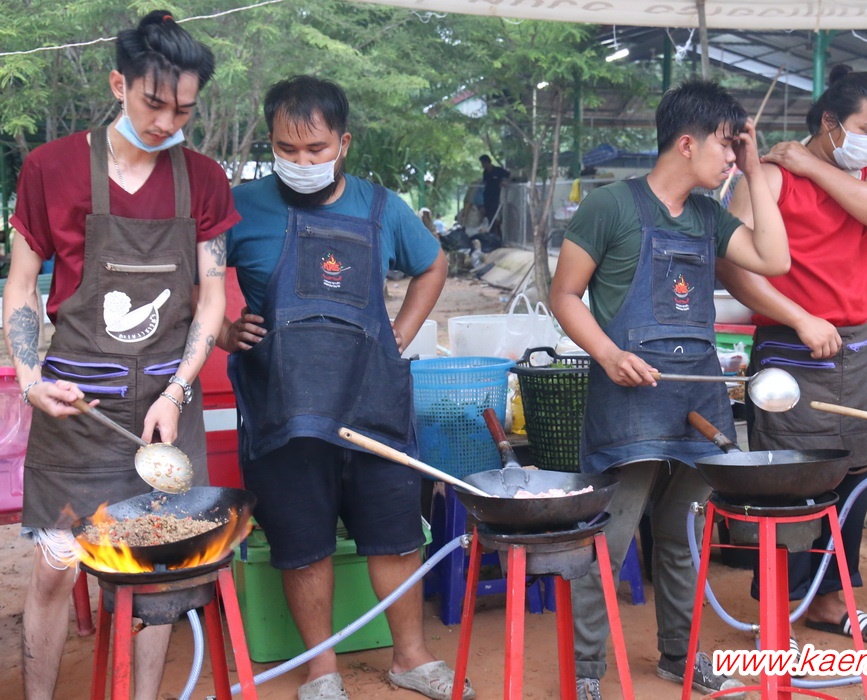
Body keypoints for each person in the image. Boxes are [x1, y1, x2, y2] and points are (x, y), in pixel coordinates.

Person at [1, 10, 237, 699]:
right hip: (77, 406)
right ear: (118, 84)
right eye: (153, 103)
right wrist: (30, 377)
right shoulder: (51, 168)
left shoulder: (204, 178)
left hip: (166, 407)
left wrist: (177, 391)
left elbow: (211, 298)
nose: (167, 122)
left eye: (183, 110)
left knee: (158, 577)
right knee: (57, 568)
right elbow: (21, 284)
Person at [219, 75, 463, 700]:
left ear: (344, 143)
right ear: (270, 143)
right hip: (285, 409)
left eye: (316, 149)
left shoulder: (382, 207)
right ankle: (321, 669)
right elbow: (195, 281)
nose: (302, 162)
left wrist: (400, 333)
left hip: (371, 403)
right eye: (287, 149)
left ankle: (410, 657)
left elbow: (432, 264)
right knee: (302, 543)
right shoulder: (239, 209)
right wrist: (221, 332)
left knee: (395, 535)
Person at [548, 79, 790, 699]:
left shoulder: (709, 217)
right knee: (609, 541)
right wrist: (608, 353)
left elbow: (775, 259)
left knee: (683, 537)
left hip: (696, 398)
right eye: (726, 146)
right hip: (628, 395)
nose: (731, 157)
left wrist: (755, 167)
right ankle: (586, 672)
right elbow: (564, 295)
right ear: (687, 143)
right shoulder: (610, 207)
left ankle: (680, 657)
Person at [718, 64, 867, 651]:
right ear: (830, 122)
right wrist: (800, 317)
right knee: (788, 481)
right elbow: (732, 266)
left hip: (856, 347)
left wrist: (816, 166)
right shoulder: (771, 177)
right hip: (789, 349)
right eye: (866, 129)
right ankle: (776, 610)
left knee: (854, 477)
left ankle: (829, 599)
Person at [478, 154, 510, 235]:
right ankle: (491, 233)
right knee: (488, 216)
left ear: (487, 162)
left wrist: (505, 181)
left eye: (483, 163)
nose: (482, 165)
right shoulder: (485, 173)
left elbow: (509, 175)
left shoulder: (498, 170)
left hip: (496, 197)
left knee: (495, 216)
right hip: (487, 197)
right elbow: (485, 183)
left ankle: (497, 233)